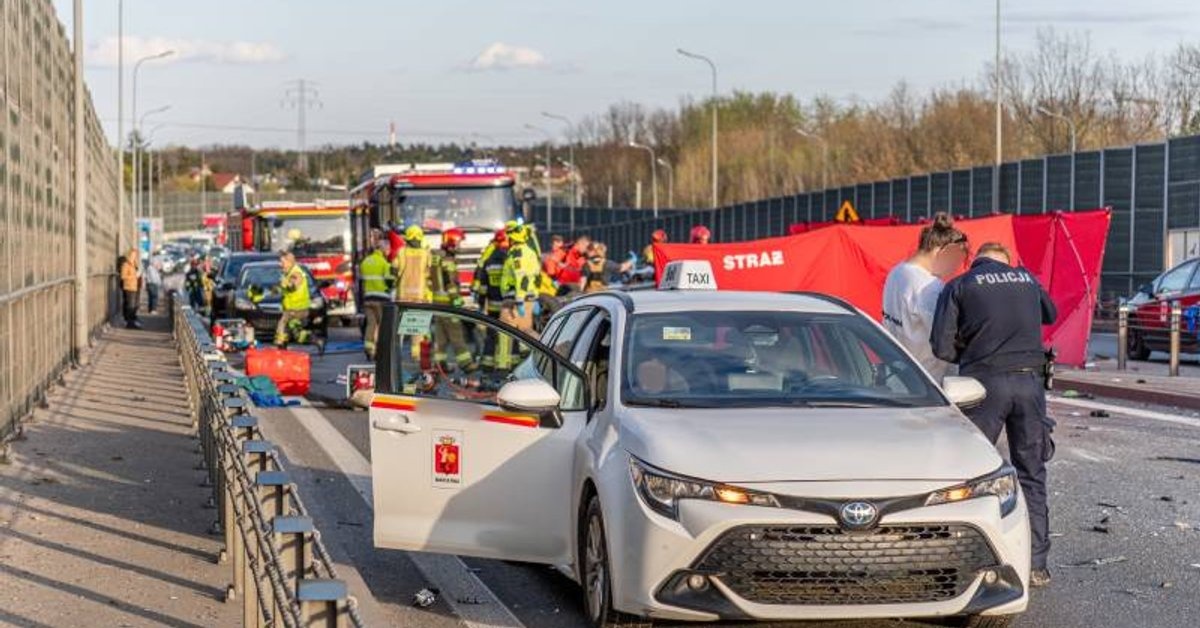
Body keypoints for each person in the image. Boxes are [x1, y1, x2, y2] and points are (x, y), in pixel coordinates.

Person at [931, 241, 1058, 588]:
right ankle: (1036, 565)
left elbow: (940, 346)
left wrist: (973, 350)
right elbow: (1051, 314)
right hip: (1030, 385)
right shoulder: (1026, 278)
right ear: (1006, 263)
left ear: (975, 261)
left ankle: (966, 559)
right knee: (1032, 471)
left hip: (982, 384)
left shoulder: (959, 285)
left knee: (971, 472)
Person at [880, 212, 968, 382]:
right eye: (955, 261)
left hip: (897, 376)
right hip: (927, 383)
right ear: (941, 251)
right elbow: (946, 339)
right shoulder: (930, 287)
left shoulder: (897, 272)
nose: (954, 269)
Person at [430, 227, 476, 371]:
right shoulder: (448, 260)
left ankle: (439, 365)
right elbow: (450, 283)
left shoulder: (436, 258)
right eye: (457, 243)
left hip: (437, 303)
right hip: (448, 304)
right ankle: (466, 364)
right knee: (456, 335)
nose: (459, 247)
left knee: (441, 337)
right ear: (451, 242)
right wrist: (456, 300)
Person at [276, 251, 323, 353]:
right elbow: (283, 289)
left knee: (282, 326)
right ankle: (316, 340)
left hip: (297, 309)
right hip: (292, 308)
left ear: (289, 262)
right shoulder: (288, 273)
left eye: (282, 262)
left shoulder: (296, 273)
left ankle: (281, 348)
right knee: (295, 333)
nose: (280, 265)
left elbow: (293, 286)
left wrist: (286, 284)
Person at [359, 233, 394, 361]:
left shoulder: (365, 262)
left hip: (368, 299)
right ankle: (379, 351)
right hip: (381, 299)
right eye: (388, 250)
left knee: (370, 324)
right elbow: (389, 281)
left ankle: (369, 349)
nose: (389, 253)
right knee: (381, 326)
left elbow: (361, 282)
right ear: (384, 249)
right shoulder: (384, 263)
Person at [392, 225, 432, 303]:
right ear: (420, 238)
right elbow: (430, 273)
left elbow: (394, 270)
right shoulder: (426, 254)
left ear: (407, 238)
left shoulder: (401, 252)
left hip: (403, 296)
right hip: (420, 296)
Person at [119, 249, 142, 329]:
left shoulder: (134, 264)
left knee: (133, 305)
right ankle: (130, 323)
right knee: (130, 305)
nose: (134, 257)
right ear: (129, 255)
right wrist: (134, 276)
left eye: (135, 255)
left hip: (134, 287)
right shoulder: (126, 264)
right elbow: (123, 276)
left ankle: (132, 321)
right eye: (132, 255)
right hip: (128, 287)